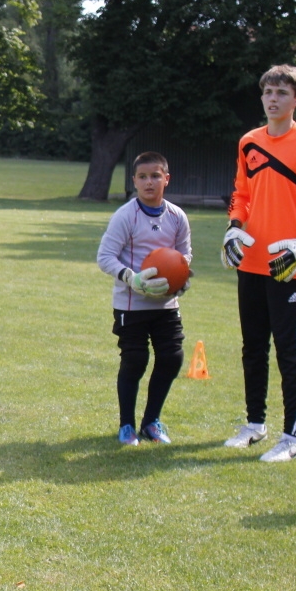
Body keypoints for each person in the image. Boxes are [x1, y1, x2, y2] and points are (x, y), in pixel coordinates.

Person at [221, 64, 296, 462]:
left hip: (289, 266)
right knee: (252, 347)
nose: (273, 99)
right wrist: (233, 229)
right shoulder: (248, 142)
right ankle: (255, 424)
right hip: (251, 262)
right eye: (268, 92)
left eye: (282, 93)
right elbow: (241, 194)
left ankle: (294, 437)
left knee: (290, 351)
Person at [97, 152, 192, 446]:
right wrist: (132, 279)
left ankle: (151, 421)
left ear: (166, 179)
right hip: (131, 304)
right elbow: (105, 257)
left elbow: (185, 255)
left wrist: (181, 280)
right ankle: (127, 425)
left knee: (172, 358)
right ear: (134, 181)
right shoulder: (126, 215)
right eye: (142, 177)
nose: (149, 182)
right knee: (135, 360)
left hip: (165, 304)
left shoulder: (177, 216)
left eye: (155, 176)